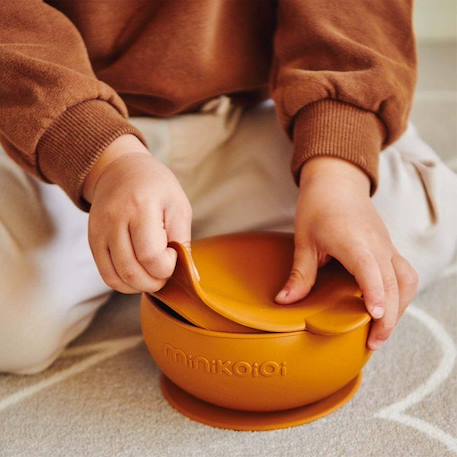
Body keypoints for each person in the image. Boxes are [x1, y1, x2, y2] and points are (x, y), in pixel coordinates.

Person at [0, 1, 456, 374]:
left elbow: (355, 16)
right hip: (54, 131)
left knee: (418, 231)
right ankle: (140, 230)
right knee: (14, 330)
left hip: (253, 116)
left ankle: (342, 129)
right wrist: (105, 161)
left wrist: (338, 174)